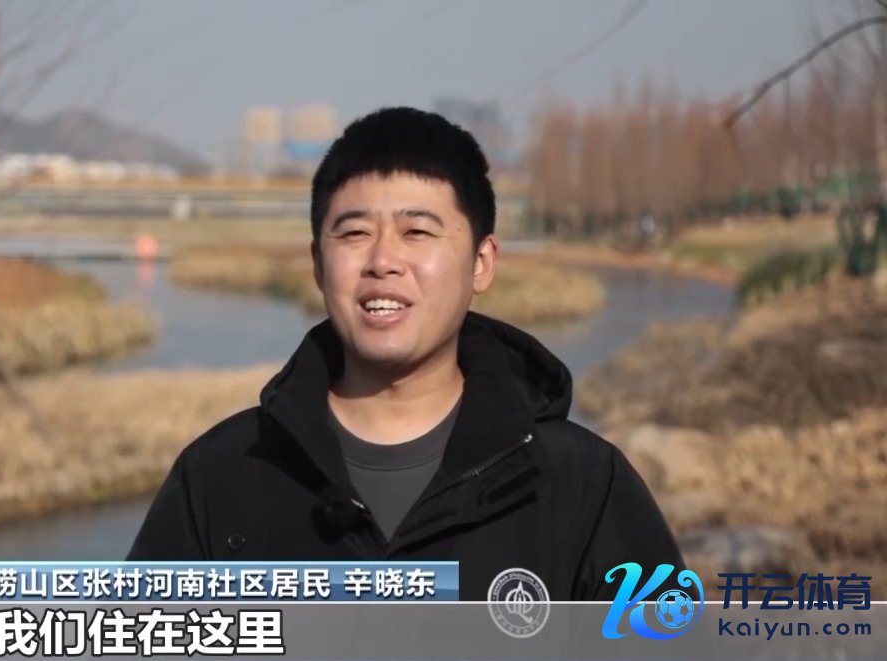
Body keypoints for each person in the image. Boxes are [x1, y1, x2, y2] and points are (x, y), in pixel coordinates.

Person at [127, 107, 683, 600]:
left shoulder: (581, 482)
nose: (383, 262)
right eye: (354, 234)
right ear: (318, 263)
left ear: (482, 263)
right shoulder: (222, 475)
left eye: (417, 232)